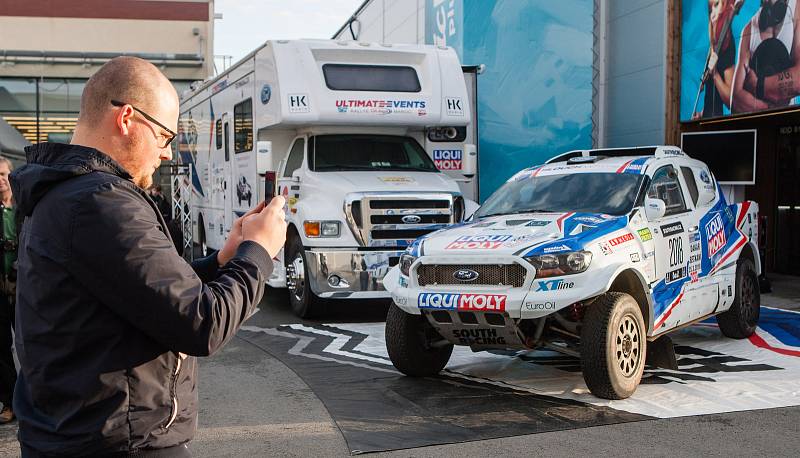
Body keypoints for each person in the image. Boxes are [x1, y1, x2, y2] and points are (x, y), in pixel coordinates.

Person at [9, 56, 286, 456]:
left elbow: (143, 290)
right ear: (126, 118)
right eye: (165, 137)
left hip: (80, 434)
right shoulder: (100, 202)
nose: (169, 154)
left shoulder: (63, 194)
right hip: (117, 440)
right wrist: (258, 252)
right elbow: (201, 323)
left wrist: (223, 260)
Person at [731, 0, 799, 112]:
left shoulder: (796, 8)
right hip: (760, 123)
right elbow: (736, 100)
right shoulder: (748, 30)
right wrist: (770, 108)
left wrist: (757, 85)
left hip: (786, 123)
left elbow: (799, 80)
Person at [695, 0, 741, 118]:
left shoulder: (726, 48)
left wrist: (715, 74)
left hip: (715, 124)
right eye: (710, 10)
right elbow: (712, 94)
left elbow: (730, 101)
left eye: (716, 5)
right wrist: (702, 113)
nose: (712, 14)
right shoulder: (713, 50)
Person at [0, 155, 17, 425]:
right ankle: (10, 400)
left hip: (24, 283)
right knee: (2, 348)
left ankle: (39, 400)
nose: (0, 180)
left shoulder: (23, 206)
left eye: (3, 174)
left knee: (32, 345)